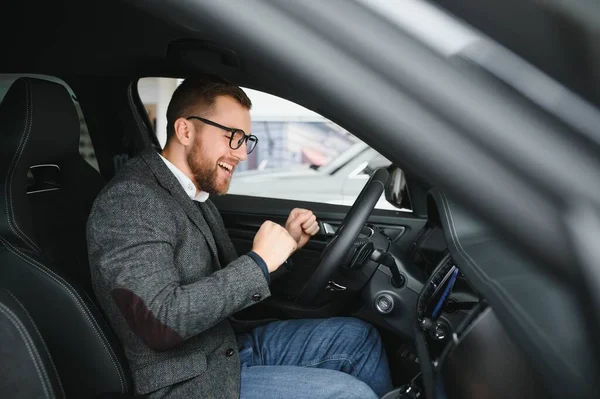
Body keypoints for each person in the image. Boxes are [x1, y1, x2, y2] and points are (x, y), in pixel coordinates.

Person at [86, 74, 393, 399]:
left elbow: (226, 283)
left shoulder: (191, 192)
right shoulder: (131, 200)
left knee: (359, 340)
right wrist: (259, 261)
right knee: (350, 395)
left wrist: (283, 249)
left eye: (245, 139)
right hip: (188, 381)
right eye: (232, 136)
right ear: (185, 130)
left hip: (227, 344)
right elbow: (160, 321)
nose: (242, 153)